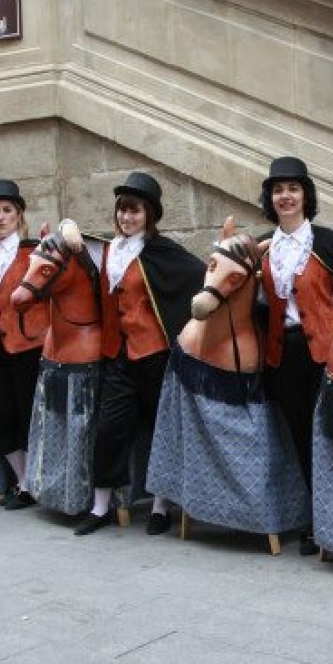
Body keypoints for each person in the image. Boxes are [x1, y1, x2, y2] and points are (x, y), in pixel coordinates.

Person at [74, 172, 204, 536]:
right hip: (119, 355)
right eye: (122, 211)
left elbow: (198, 273)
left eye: (134, 211)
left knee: (158, 430)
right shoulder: (110, 250)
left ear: (150, 215)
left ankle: (161, 506)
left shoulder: (160, 251)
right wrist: (67, 229)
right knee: (111, 427)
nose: (127, 218)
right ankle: (100, 506)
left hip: (155, 354)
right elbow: (74, 251)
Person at [257, 156, 333, 555]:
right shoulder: (263, 247)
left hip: (325, 353)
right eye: (278, 190)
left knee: (328, 436)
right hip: (283, 353)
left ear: (306, 194)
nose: (285, 196)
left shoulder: (327, 242)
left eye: (293, 188)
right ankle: (315, 519)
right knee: (301, 437)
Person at [0, 180, 47, 510]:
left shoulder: (33, 252)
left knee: (28, 413)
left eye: (6, 211)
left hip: (28, 344)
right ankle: (22, 480)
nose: (0, 218)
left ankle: (33, 484)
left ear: (19, 215)